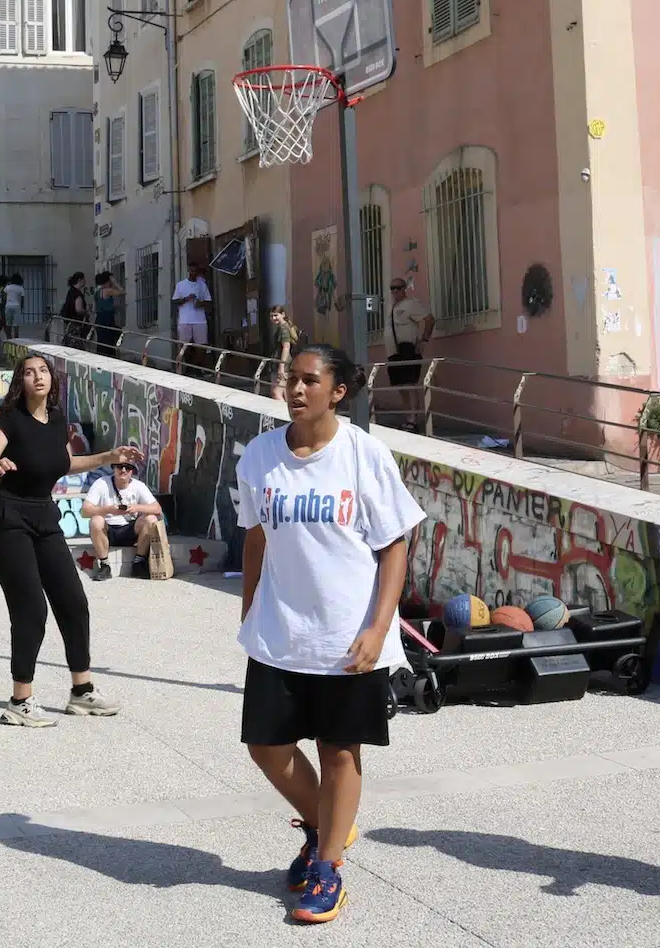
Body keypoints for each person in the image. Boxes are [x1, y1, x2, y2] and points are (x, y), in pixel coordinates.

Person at [237, 344, 424, 924]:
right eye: (289, 379)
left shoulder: (365, 455)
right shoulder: (260, 456)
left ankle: (327, 867)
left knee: (339, 751)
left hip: (348, 635)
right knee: (266, 747)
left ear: (337, 391)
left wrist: (378, 627)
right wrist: (248, 610)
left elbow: (394, 543)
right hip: (279, 630)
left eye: (308, 380)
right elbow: (256, 537)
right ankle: (326, 826)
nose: (295, 389)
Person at [0, 353, 142, 727]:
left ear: (52, 379)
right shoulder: (8, 421)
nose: (38, 377)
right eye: (30, 372)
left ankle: (81, 692)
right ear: (21, 380)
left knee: (73, 601)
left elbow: (65, 464)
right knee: (31, 609)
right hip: (7, 516)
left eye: (44, 371)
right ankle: (20, 700)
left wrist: (109, 456)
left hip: (43, 514)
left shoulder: (57, 422)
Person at [81, 459, 166, 581]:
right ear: (114, 468)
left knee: (151, 519)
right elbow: (85, 511)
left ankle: (139, 563)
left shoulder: (138, 486)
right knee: (96, 520)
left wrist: (135, 507)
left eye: (128, 467)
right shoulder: (101, 483)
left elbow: (157, 508)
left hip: (130, 529)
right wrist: (108, 510)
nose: (124, 470)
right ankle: (105, 565)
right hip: (108, 530)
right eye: (120, 467)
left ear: (132, 471)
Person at [385, 278, 433, 430]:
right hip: (393, 351)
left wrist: (424, 340)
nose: (394, 291)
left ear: (404, 288)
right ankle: (408, 417)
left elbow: (429, 320)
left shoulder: (411, 304)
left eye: (397, 288)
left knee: (409, 383)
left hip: (407, 348)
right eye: (392, 288)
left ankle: (413, 420)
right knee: (400, 385)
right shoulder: (391, 307)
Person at [172, 261, 213, 347]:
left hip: (200, 321)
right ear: (188, 271)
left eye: (195, 271)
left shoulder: (202, 285)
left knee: (201, 345)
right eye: (191, 271)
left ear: (197, 272)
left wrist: (200, 303)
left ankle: (199, 361)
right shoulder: (181, 285)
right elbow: (174, 302)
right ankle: (187, 361)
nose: (193, 273)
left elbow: (209, 302)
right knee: (185, 346)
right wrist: (186, 299)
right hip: (184, 320)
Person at [268, 305, 302, 402]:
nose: (273, 318)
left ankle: (282, 415)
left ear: (283, 314)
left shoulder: (283, 328)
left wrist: (281, 367)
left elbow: (286, 346)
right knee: (285, 393)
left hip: (283, 364)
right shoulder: (286, 326)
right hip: (285, 363)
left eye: (276, 315)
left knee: (276, 393)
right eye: (271, 316)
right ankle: (289, 415)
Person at [92, 271, 125, 356]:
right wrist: (115, 282)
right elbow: (122, 292)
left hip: (99, 319)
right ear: (108, 280)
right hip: (107, 319)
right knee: (109, 341)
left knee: (101, 342)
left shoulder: (97, 292)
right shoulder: (107, 290)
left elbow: (94, 309)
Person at [2, 274, 27, 340]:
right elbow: (22, 300)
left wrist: (4, 306)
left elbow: (4, 298)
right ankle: (16, 340)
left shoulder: (7, 287)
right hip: (16, 307)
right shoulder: (20, 288)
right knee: (16, 325)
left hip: (8, 306)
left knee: (8, 324)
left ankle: (8, 339)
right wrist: (21, 308)